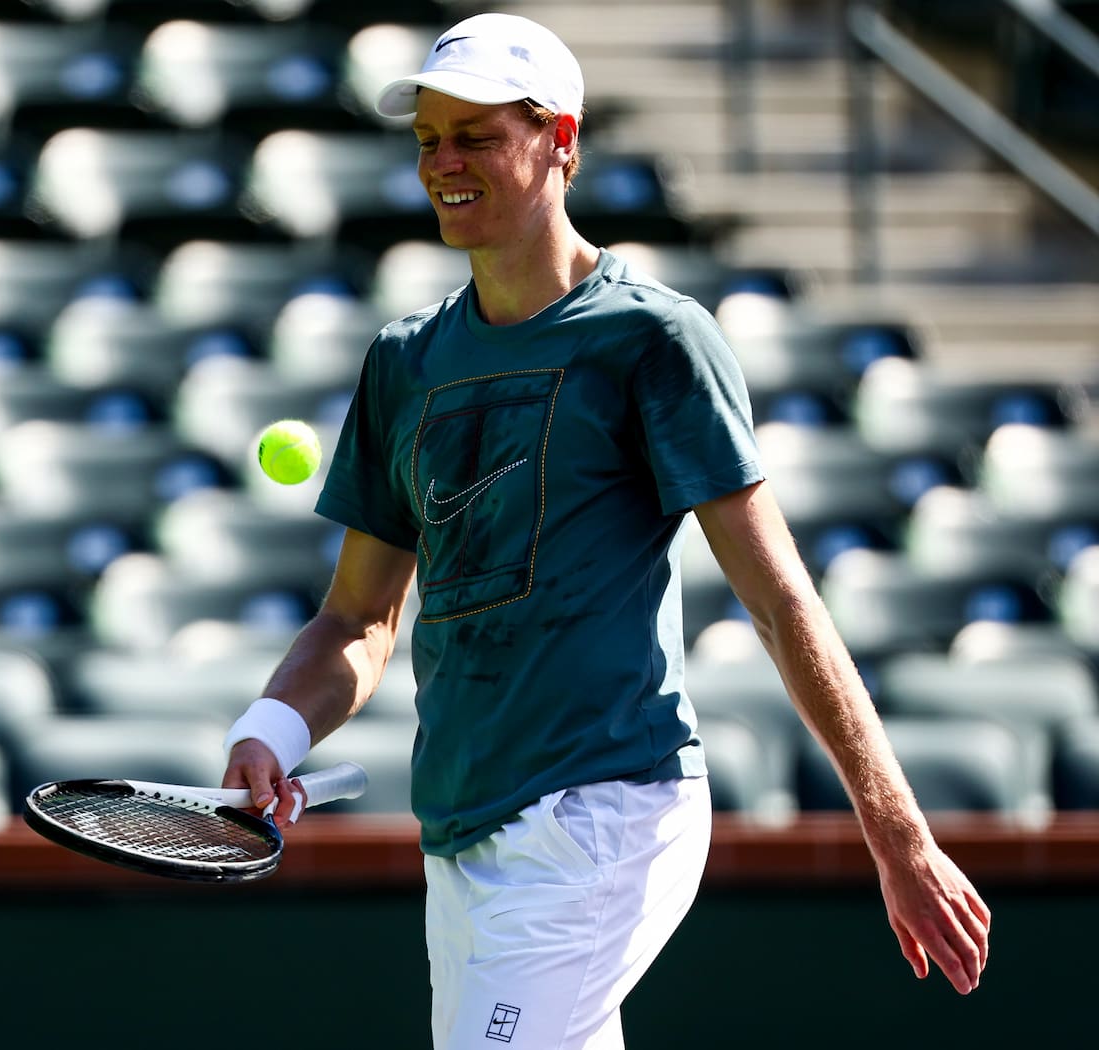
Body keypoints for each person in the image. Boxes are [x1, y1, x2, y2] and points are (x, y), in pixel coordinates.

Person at [221, 12, 990, 1048]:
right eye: (429, 139)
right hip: (461, 831)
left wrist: (897, 833)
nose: (444, 163)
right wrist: (272, 729)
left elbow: (779, 599)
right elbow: (358, 618)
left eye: (478, 135)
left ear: (562, 142)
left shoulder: (657, 339)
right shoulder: (402, 363)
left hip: (605, 811)